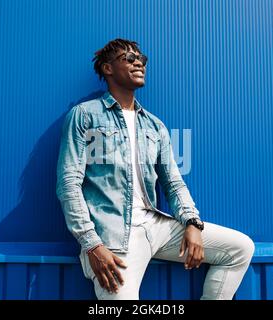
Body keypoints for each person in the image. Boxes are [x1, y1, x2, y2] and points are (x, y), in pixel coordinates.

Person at [56, 38, 255, 300]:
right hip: (114, 237)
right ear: (108, 69)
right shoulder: (85, 115)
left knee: (240, 249)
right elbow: (68, 183)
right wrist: (92, 245)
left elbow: (173, 183)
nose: (139, 62)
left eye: (142, 59)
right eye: (129, 58)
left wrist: (192, 222)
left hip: (156, 224)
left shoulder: (154, 126)